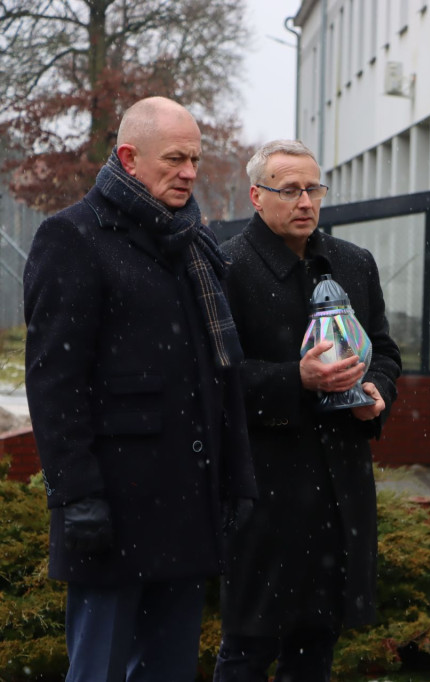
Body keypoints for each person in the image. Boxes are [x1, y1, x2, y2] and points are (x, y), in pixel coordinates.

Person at [22, 96, 258, 681]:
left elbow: (216, 375)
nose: (190, 173)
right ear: (129, 157)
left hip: (185, 506)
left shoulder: (190, 241)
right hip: (113, 512)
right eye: (176, 159)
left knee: (169, 670)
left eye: (196, 160)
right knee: (98, 670)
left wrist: (233, 478)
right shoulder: (72, 237)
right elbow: (55, 384)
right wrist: (77, 497)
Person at [213, 139, 402, 682]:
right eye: (290, 190)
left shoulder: (352, 263)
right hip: (262, 493)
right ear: (256, 195)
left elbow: (384, 351)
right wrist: (296, 379)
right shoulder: (227, 266)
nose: (305, 202)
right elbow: (213, 378)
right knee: (248, 648)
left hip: (340, 489)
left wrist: (377, 396)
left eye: (313, 189)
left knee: (317, 647)